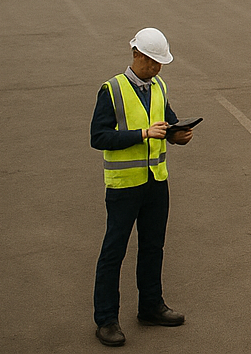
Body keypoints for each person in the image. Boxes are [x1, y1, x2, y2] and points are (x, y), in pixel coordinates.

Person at [90, 28, 194, 347]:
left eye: (161, 63)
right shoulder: (112, 89)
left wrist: (178, 135)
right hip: (124, 187)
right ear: (136, 55)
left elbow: (168, 122)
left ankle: (150, 307)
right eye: (152, 62)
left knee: (153, 247)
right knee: (114, 251)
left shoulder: (158, 86)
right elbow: (99, 137)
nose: (157, 68)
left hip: (155, 183)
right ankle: (106, 320)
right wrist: (143, 134)